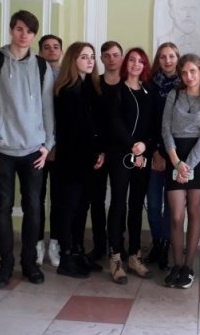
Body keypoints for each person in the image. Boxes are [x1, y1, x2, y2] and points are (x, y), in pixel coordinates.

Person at [0, 10, 55, 288]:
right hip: (1, 148)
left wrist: (48, 145)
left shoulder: (41, 66)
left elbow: (48, 108)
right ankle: (5, 265)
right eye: (20, 29)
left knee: (33, 207)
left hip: (34, 150)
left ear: (34, 36)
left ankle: (29, 264)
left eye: (30, 31)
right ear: (12, 30)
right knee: (2, 206)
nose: (24, 35)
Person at [161, 54, 200, 288]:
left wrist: (188, 165)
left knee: (194, 212)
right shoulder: (174, 95)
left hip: (198, 158)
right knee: (176, 215)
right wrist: (176, 162)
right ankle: (176, 264)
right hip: (175, 156)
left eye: (193, 71)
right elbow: (165, 129)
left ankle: (188, 267)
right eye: (184, 72)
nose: (188, 76)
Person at [53, 42, 105, 278]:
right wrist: (93, 153)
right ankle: (66, 257)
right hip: (71, 160)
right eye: (84, 57)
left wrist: (99, 152)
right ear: (73, 60)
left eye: (92, 56)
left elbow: (95, 127)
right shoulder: (66, 90)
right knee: (69, 208)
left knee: (82, 207)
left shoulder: (89, 87)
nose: (90, 61)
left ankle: (78, 251)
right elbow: (74, 131)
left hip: (88, 160)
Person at [105, 47, 156, 284]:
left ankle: (135, 256)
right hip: (120, 155)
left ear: (145, 66)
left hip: (142, 157)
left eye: (140, 61)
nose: (136, 64)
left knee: (136, 206)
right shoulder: (116, 91)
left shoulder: (149, 92)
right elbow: (114, 123)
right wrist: (132, 146)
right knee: (118, 204)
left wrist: (144, 147)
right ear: (126, 64)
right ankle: (115, 257)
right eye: (132, 60)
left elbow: (154, 126)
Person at [84, 40, 125, 264]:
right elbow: (88, 118)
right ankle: (99, 244)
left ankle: (118, 245)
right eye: (107, 55)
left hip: (121, 151)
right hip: (97, 150)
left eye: (115, 55)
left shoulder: (128, 84)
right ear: (101, 58)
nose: (111, 59)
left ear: (121, 57)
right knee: (97, 199)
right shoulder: (93, 84)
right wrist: (97, 148)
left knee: (119, 199)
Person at [145, 42, 180, 269]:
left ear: (178, 58)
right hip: (155, 151)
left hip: (176, 153)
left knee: (171, 205)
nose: (167, 61)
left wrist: (171, 155)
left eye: (171, 56)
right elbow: (149, 121)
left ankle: (167, 245)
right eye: (163, 57)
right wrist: (156, 151)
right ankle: (157, 242)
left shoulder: (185, 85)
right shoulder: (150, 85)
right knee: (154, 203)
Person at [36, 34, 63, 267]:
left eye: (55, 47)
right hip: (36, 145)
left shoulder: (67, 76)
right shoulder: (33, 74)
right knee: (36, 197)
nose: (52, 51)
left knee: (58, 198)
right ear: (40, 51)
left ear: (61, 51)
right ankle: (37, 243)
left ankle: (55, 242)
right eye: (47, 47)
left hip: (61, 147)